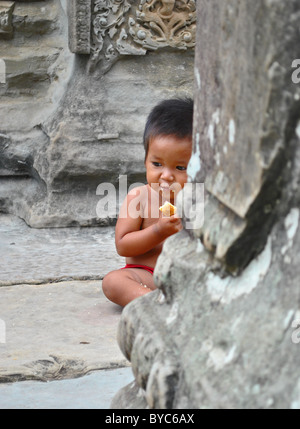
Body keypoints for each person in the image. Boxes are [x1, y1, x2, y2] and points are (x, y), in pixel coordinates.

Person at [102, 98, 193, 307]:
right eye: (157, 164)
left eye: (181, 168)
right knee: (113, 282)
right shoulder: (139, 198)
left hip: (190, 277)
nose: (166, 176)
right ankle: (157, 305)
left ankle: (180, 303)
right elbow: (123, 245)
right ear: (145, 160)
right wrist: (158, 231)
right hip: (148, 276)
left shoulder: (200, 200)